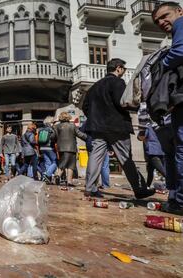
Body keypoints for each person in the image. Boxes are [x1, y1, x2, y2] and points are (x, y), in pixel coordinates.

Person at [83, 58, 155, 199]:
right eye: (124, 69)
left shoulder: (94, 87)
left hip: (98, 128)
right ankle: (139, 189)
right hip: (117, 126)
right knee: (125, 158)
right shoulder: (118, 82)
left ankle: (90, 188)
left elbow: (85, 107)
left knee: (95, 157)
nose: (123, 72)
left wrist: (96, 119)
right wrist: (136, 106)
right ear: (118, 68)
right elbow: (122, 102)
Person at [152, 2, 183, 213]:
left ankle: (180, 201)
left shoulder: (181, 23)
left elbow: (180, 51)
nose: (162, 22)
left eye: (165, 16)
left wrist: (160, 67)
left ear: (179, 11)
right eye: (157, 21)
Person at [54, 112, 87, 186]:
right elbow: (80, 134)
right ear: (68, 117)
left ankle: (59, 176)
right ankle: (66, 180)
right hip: (71, 148)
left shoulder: (56, 126)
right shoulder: (72, 126)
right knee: (71, 165)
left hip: (61, 148)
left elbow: (54, 137)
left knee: (62, 162)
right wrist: (88, 138)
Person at [80, 120, 111, 189]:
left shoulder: (88, 120)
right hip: (104, 145)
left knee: (92, 165)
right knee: (104, 166)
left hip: (91, 145)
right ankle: (105, 185)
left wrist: (87, 139)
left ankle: (91, 184)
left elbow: (81, 132)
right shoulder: (105, 120)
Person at [37, 117, 57, 183]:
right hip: (49, 147)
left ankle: (48, 179)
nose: (54, 123)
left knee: (47, 163)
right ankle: (47, 174)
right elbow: (54, 138)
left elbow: (38, 140)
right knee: (55, 162)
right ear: (50, 122)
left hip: (42, 148)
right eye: (53, 122)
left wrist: (39, 150)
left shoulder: (40, 130)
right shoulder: (51, 129)